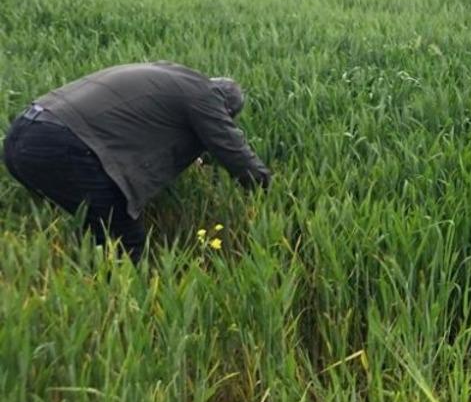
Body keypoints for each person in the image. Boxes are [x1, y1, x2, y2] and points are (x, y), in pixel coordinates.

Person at [2, 62, 271, 262]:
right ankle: (117, 312)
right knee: (124, 242)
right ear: (225, 108)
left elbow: (146, 132)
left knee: (95, 231)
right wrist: (267, 190)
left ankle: (86, 287)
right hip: (64, 144)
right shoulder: (204, 95)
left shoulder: (171, 75)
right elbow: (232, 151)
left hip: (21, 135)